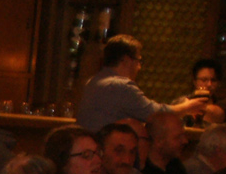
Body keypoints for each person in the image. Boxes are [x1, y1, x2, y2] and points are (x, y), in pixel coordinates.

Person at [77, 35, 209, 133]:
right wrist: (187, 107)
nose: (139, 67)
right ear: (126, 60)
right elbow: (154, 114)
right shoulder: (121, 86)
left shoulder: (93, 81)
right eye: (138, 61)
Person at [175, 57, 226, 123]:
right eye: (204, 80)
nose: (209, 84)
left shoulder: (222, 104)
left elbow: (218, 116)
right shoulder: (183, 101)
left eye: (213, 80)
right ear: (195, 82)